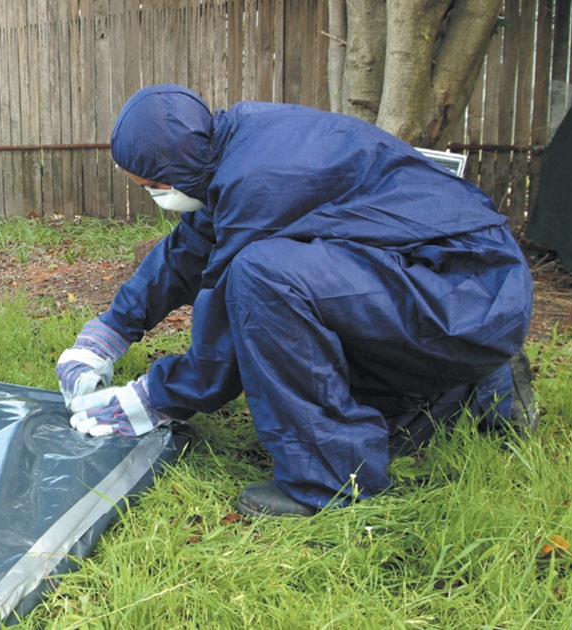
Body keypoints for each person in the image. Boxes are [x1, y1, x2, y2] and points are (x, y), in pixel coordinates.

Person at [57, 84, 537, 517]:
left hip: (466, 296)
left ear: (173, 170)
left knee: (264, 278)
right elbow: (190, 248)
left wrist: (149, 399)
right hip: (462, 279)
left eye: (150, 187)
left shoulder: (258, 182)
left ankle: (331, 479)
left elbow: (223, 343)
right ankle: (476, 389)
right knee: (284, 283)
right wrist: (106, 335)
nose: (151, 195)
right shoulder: (232, 144)